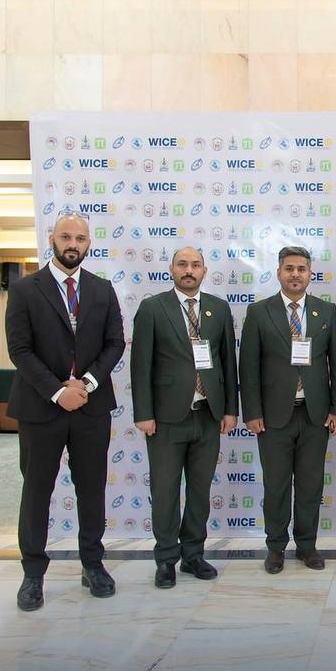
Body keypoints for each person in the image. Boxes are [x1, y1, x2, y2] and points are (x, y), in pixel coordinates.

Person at [5, 213, 125, 611]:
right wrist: (58, 391)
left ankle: (93, 565)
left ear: (89, 243)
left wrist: (85, 384)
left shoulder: (102, 289)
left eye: (80, 238)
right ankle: (33, 574)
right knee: (36, 491)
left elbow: (115, 343)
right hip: (41, 408)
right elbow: (19, 349)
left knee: (91, 490)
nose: (73, 244)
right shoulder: (25, 290)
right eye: (66, 237)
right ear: (52, 239)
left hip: (91, 408)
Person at [130, 245, 238, 589]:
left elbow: (227, 362)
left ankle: (193, 554)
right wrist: (144, 413)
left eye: (195, 265)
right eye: (182, 264)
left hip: (208, 415)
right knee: (164, 491)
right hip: (165, 419)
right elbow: (140, 365)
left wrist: (230, 409)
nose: (188, 270)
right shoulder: (152, 308)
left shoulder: (219, 308)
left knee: (200, 491)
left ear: (204, 271)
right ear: (171, 270)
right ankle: (166, 559)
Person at [239, 246, 336, 574]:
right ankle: (275, 548)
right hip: (272, 418)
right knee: (276, 485)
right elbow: (249, 367)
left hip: (316, 415)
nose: (295, 274)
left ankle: (307, 545)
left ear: (310, 274)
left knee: (311, 485)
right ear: (278, 273)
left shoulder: (325, 311)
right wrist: (252, 412)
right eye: (289, 268)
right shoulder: (259, 312)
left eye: (301, 268)